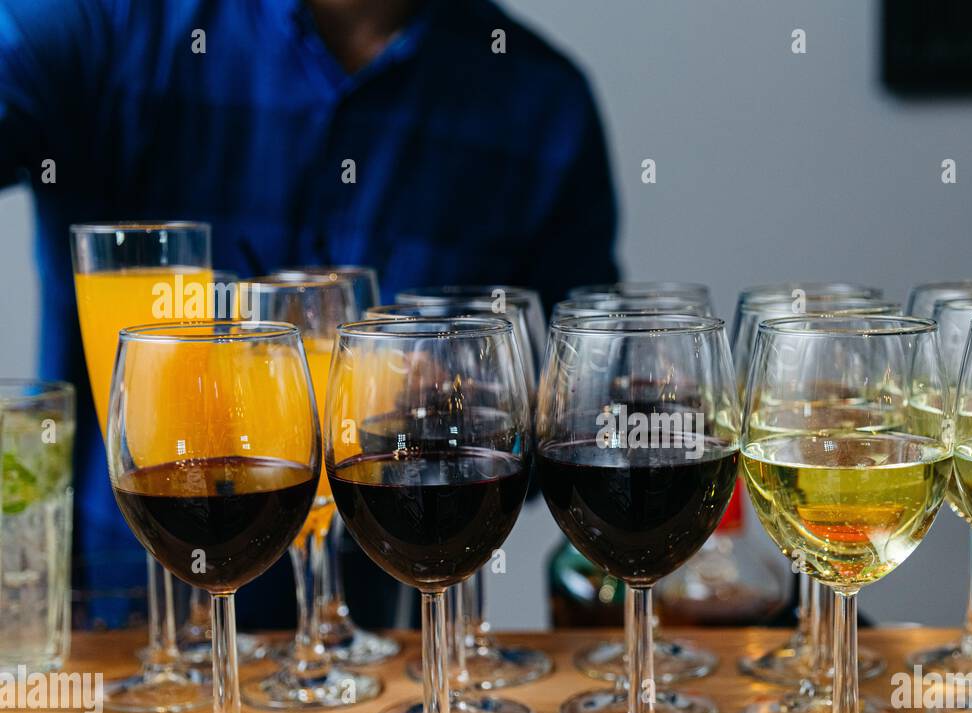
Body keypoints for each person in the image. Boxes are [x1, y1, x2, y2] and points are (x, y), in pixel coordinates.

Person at [0, 0, 619, 626]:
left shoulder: (542, 101)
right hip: (114, 634)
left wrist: (456, 402)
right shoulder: (100, 24)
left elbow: (572, 416)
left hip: (365, 666)